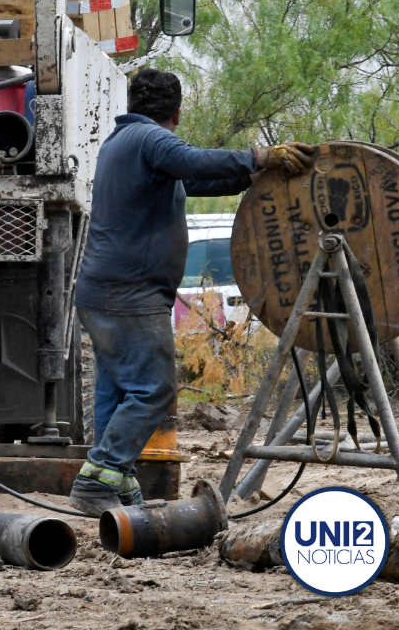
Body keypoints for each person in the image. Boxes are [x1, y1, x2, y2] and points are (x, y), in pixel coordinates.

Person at [68, 68, 316, 515]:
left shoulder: (122, 143)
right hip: (130, 296)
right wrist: (260, 156)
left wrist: (250, 175)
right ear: (178, 114)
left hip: (100, 292)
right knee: (153, 390)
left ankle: (114, 483)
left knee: (119, 391)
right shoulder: (152, 141)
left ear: (132, 104)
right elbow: (194, 162)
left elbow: (195, 179)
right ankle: (97, 478)